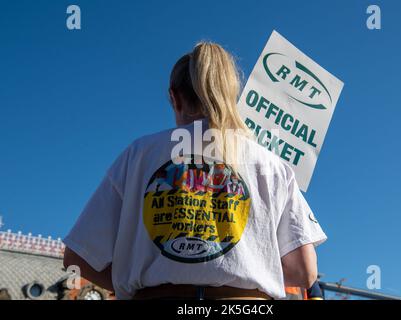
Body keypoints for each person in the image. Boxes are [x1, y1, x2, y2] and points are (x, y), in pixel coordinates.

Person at [63, 42, 327, 300]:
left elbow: (77, 258)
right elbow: (305, 272)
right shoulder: (273, 165)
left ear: (174, 97)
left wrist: (130, 284)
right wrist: (253, 266)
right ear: (232, 96)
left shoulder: (139, 153)